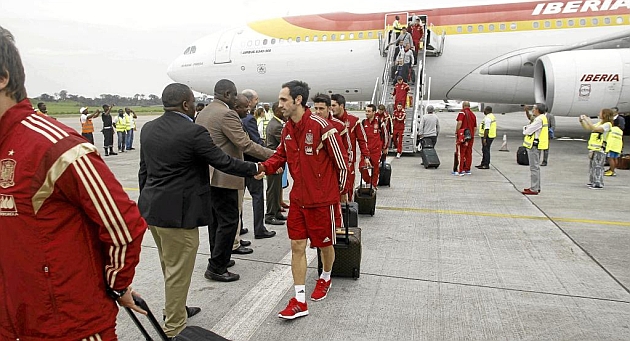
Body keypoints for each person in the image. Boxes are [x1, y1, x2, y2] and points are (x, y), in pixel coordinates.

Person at [0, 25, 147, 340]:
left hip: (68, 327)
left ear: (2, 78)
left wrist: (116, 283)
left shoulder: (55, 148)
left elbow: (124, 226)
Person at [138, 83, 262, 338]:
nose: (195, 105)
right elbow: (222, 161)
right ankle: (174, 328)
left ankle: (176, 309)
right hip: (179, 216)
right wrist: (254, 169)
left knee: (170, 267)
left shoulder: (149, 128)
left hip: (153, 210)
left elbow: (144, 171)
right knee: (177, 272)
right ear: (185, 104)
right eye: (193, 101)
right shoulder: (193, 132)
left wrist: (148, 203)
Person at [261, 80, 348, 320]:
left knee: (324, 245)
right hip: (298, 200)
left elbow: (342, 165)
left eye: (283, 100)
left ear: (298, 100)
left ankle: (326, 276)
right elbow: (280, 156)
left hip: (323, 201)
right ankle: (299, 299)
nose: (280, 105)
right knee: (296, 246)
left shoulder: (322, 126)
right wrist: (262, 167)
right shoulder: (288, 128)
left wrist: (334, 196)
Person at [196, 79, 273, 282]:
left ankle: (218, 257)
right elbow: (245, 144)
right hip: (225, 176)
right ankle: (217, 267)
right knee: (229, 222)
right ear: (228, 94)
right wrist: (273, 155)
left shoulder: (204, 112)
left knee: (215, 222)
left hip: (207, 176)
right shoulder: (226, 113)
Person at [241, 89, 277, 239]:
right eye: (256, 99)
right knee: (257, 196)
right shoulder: (249, 119)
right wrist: (267, 157)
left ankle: (239, 227)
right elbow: (254, 141)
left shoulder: (235, 117)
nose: (258, 101)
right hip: (251, 163)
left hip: (239, 163)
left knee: (239, 197)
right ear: (249, 102)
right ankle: (259, 228)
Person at [312, 93, 351, 226]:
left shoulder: (338, 126)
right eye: (315, 108)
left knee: (334, 215)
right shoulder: (310, 125)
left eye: (321, 109)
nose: (318, 112)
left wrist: (344, 186)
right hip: (315, 177)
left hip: (333, 177)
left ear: (329, 108)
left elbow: (347, 152)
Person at [331, 93, 370, 201]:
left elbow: (362, 140)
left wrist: (366, 157)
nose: (331, 108)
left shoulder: (354, 121)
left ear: (342, 106)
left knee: (347, 188)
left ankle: (347, 212)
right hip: (332, 162)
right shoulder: (329, 121)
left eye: (334, 106)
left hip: (348, 162)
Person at [579, 109, 614, 189]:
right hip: (594, 148)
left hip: (600, 149)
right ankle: (593, 181)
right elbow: (588, 128)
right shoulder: (600, 123)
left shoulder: (607, 124)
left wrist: (587, 119)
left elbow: (595, 128)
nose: (599, 114)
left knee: (598, 166)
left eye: (601, 113)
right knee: (592, 166)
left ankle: (598, 183)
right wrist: (582, 121)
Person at [265, 102, 287, 225]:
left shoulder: (277, 122)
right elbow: (286, 143)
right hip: (274, 161)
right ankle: (270, 215)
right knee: (272, 189)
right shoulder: (276, 125)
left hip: (277, 162)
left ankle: (277, 211)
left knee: (277, 188)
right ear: (277, 111)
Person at [521, 103, 549, 194]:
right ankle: (536, 186)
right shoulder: (543, 118)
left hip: (534, 146)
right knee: (535, 167)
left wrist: (525, 128)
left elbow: (527, 131)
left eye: (534, 108)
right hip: (537, 145)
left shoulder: (539, 120)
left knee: (534, 168)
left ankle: (534, 188)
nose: (533, 110)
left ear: (538, 110)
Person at [360, 104, 388, 188]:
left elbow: (385, 134)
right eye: (366, 111)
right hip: (366, 150)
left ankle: (374, 185)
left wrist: (385, 147)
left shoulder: (379, 122)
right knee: (361, 167)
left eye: (369, 111)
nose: (366, 113)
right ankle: (369, 181)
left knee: (375, 168)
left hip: (376, 150)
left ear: (374, 112)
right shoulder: (363, 122)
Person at [455, 101, 477, 175]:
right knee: (469, 152)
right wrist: (472, 134)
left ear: (463, 106)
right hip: (471, 136)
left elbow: (459, 122)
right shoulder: (473, 115)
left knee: (461, 152)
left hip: (463, 135)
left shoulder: (462, 113)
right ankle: (467, 169)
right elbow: (475, 127)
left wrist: (457, 132)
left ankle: (460, 170)